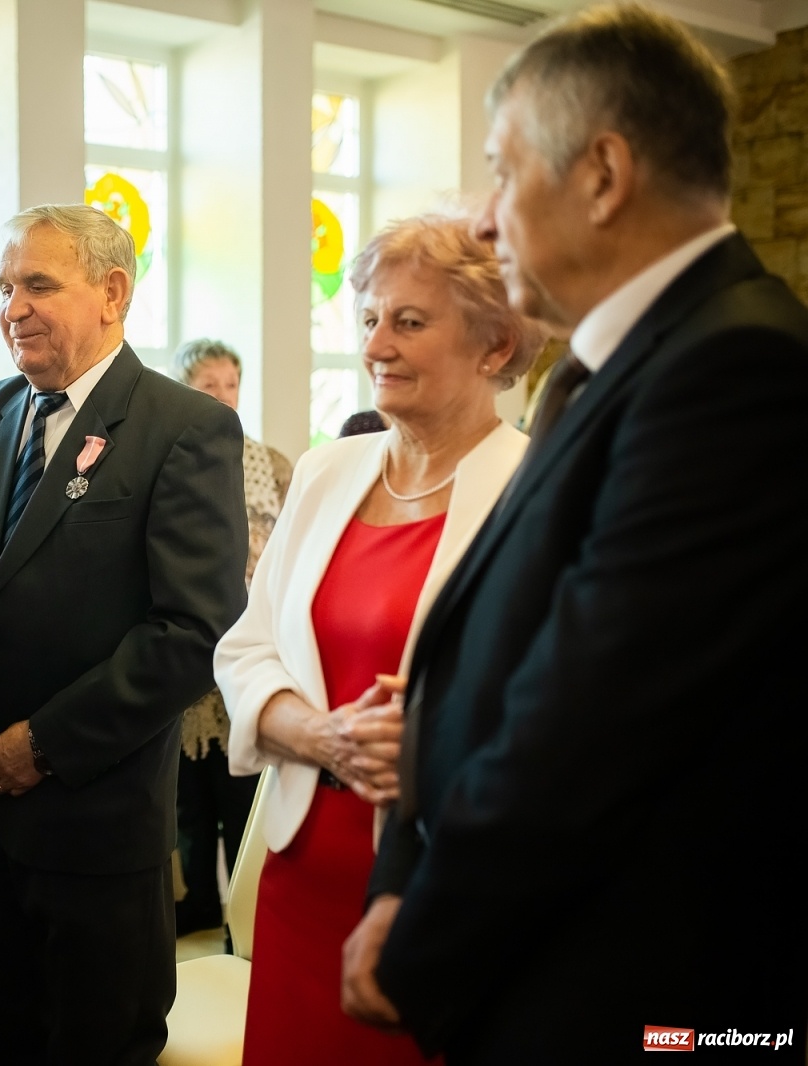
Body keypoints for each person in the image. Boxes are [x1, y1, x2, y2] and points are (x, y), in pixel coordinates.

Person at [342, 8, 808, 1062]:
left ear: (601, 173)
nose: (486, 221)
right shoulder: (604, 368)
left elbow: (594, 709)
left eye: (503, 173)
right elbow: (491, 647)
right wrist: (397, 874)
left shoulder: (735, 370)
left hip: (649, 996)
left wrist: (425, 928)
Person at [0, 204, 247, 1065]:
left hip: (94, 823)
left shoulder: (183, 427)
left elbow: (190, 629)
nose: (13, 306)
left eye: (38, 284)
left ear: (113, 293)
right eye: (5, 287)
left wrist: (43, 746)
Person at [215, 213, 539, 1066]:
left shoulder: (535, 490)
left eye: (410, 322)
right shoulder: (328, 471)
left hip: (442, 894)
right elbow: (246, 651)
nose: (376, 346)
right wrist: (319, 735)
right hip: (301, 884)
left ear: (496, 345)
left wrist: (435, 749)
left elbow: (562, 706)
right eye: (368, 319)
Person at [169, 338, 290, 936]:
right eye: (207, 385)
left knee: (242, 801)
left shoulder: (274, 465)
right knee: (189, 804)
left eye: (230, 384)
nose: (221, 396)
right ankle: (193, 911)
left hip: (252, 654)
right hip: (188, 662)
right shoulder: (169, 456)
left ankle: (245, 922)